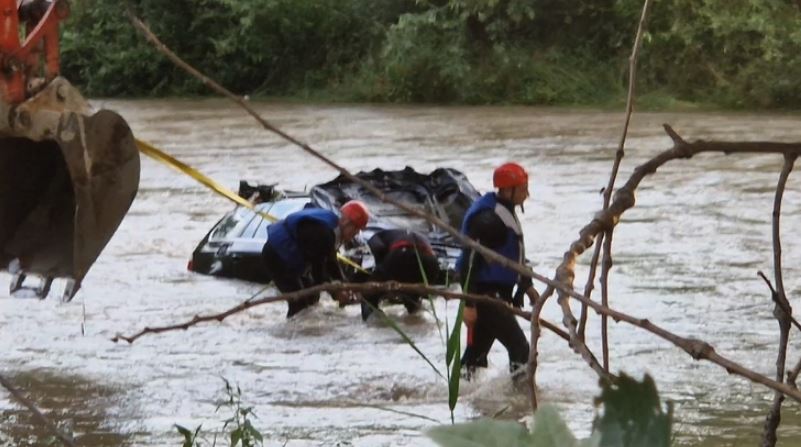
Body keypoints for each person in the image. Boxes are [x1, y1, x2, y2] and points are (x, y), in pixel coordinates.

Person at [456, 162, 533, 380]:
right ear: (508, 190)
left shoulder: (503, 212)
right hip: (486, 296)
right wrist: (469, 304)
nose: (527, 193)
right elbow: (469, 259)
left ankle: (462, 396)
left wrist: (526, 287)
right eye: (523, 188)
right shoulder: (489, 219)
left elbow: (511, 257)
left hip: (493, 294)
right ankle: (522, 399)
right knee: (520, 349)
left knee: (474, 358)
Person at [262, 200, 369, 318]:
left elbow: (331, 260)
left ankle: (310, 333)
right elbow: (318, 272)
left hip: (289, 257)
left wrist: (344, 284)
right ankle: (292, 333)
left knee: (313, 298)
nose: (356, 235)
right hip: (277, 257)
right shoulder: (324, 233)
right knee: (299, 303)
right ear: (347, 222)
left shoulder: (332, 228)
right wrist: (336, 293)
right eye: (356, 230)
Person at [360, 229, 441, 321]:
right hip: (432, 264)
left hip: (403, 253)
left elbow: (378, 248)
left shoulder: (375, 237)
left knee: (368, 293)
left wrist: (382, 276)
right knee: (411, 295)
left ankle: (373, 327)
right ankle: (416, 322)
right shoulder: (405, 234)